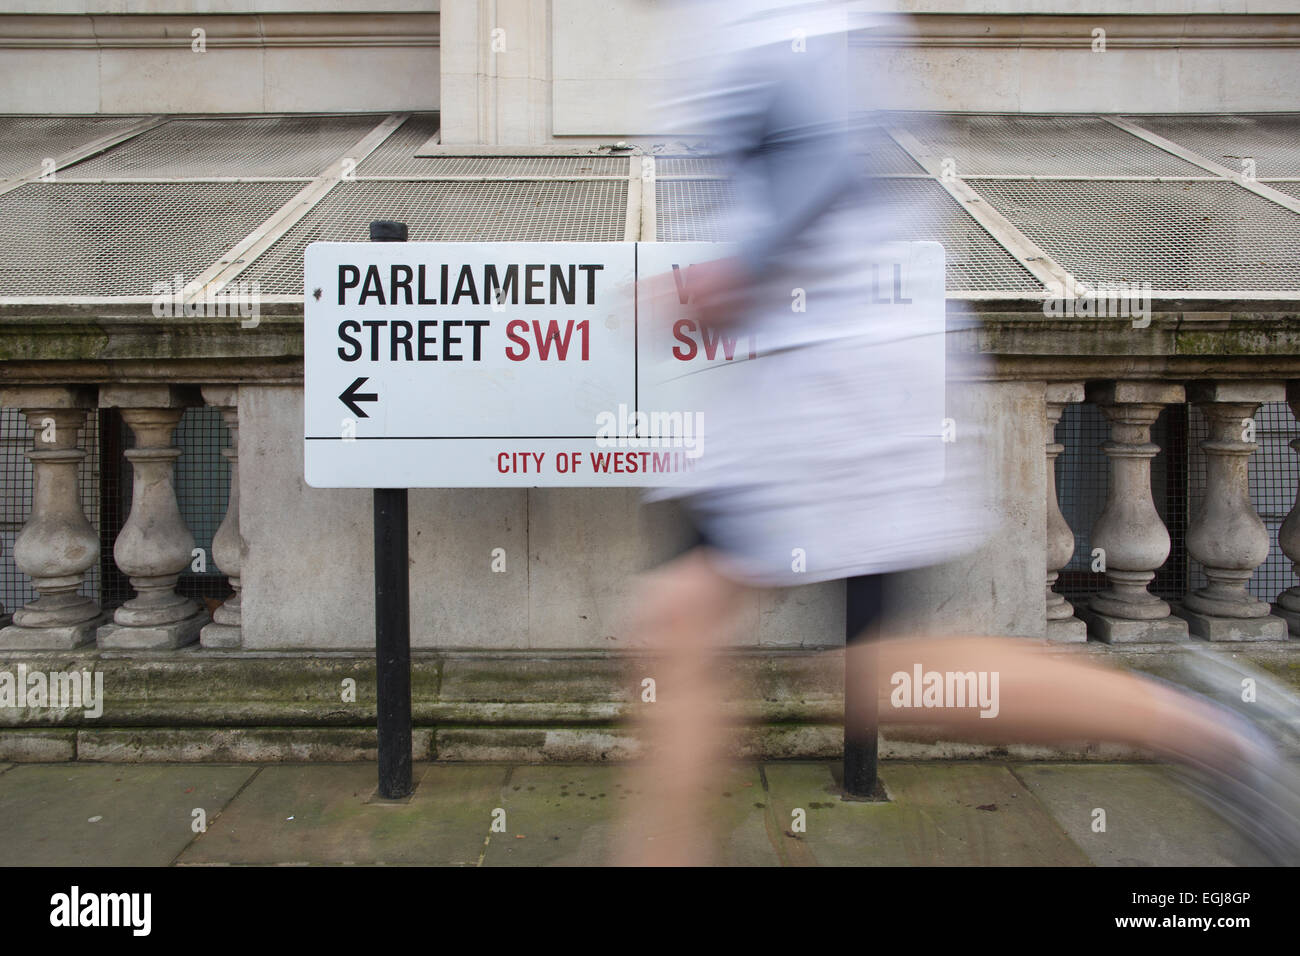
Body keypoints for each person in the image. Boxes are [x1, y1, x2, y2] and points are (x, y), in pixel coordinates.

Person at [613, 0, 1300, 867]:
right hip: (809, 373)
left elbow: (829, 152)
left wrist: (734, 275)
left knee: (861, 670)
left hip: (833, 376)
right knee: (793, 653)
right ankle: (1217, 733)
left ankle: (1218, 734)